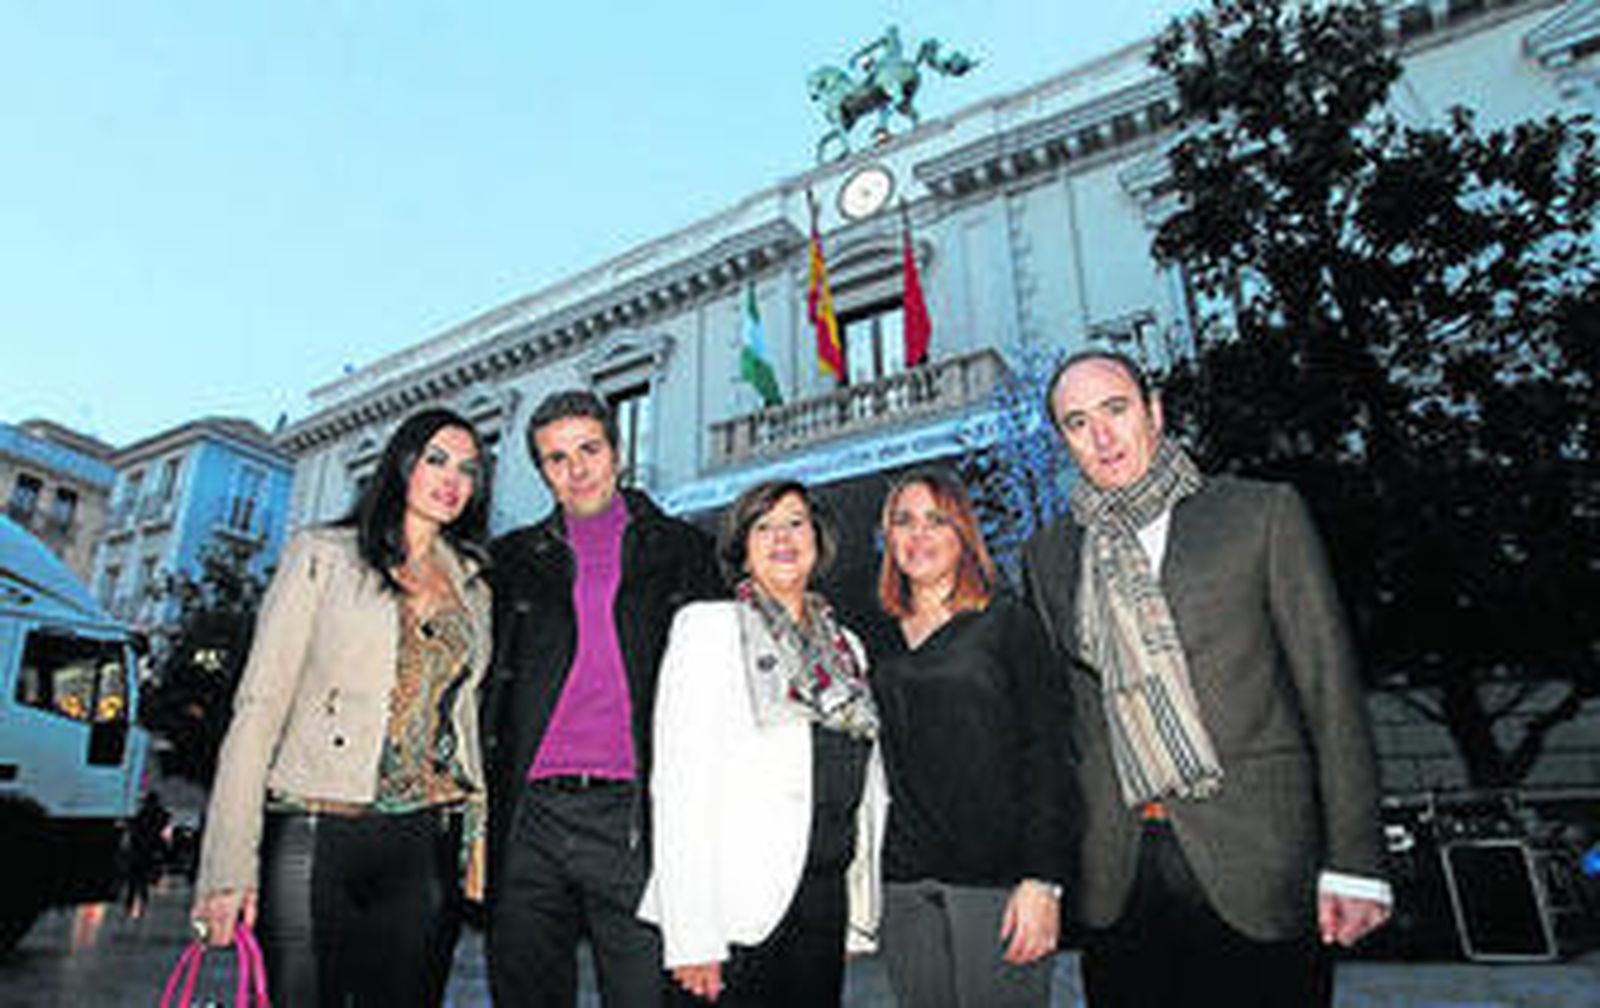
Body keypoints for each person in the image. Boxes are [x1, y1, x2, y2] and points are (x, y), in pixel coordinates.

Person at [1021, 350, 1391, 1007]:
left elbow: (1329, 689)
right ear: (1063, 442)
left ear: (1154, 412)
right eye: (1077, 423)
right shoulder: (1050, 555)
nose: (1102, 436)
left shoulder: (1259, 514)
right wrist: (1048, 871)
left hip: (1258, 852)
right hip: (1120, 871)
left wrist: (1357, 861)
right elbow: (1067, 724)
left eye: (1116, 410)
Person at [191, 407, 493, 1006]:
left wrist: (476, 836)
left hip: (425, 840)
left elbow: (464, 720)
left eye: (469, 469)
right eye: (436, 459)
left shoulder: (474, 585)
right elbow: (258, 709)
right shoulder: (323, 555)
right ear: (401, 464)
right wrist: (226, 871)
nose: (452, 479)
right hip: (315, 827)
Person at [482, 390, 721, 1008]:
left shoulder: (683, 550)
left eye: (589, 449)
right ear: (542, 472)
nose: (577, 468)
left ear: (617, 451)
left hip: (633, 817)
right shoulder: (510, 562)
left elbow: (717, 693)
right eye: (556, 459)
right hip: (529, 816)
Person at [637, 479, 888, 1007]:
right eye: (763, 526)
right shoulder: (707, 629)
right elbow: (679, 791)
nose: (782, 537)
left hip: (823, 901)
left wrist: (858, 914)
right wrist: (692, 936)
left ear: (818, 539)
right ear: (742, 549)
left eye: (795, 523)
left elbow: (864, 787)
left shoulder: (848, 650)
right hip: (732, 914)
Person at [869, 467, 1073, 1008]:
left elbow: (1049, 752)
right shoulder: (874, 637)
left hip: (997, 881)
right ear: (887, 537)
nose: (918, 535)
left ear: (963, 533)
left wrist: (1042, 880)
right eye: (903, 521)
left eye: (936, 521)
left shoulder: (1008, 622)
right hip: (903, 885)